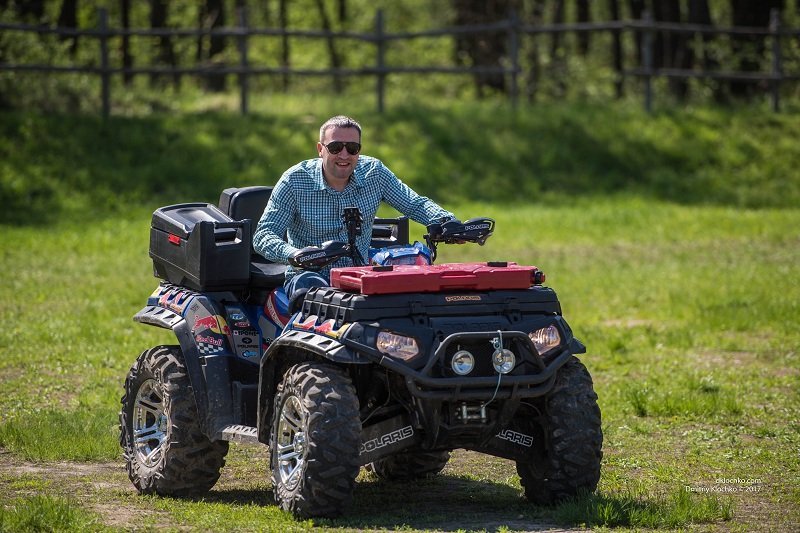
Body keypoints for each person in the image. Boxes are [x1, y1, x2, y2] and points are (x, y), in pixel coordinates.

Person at [253, 115, 456, 301]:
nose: (344, 155)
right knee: (314, 293)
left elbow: (414, 203)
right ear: (320, 149)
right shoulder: (295, 180)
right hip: (309, 277)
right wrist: (296, 254)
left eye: (352, 148)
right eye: (335, 147)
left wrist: (447, 221)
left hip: (361, 277)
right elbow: (263, 235)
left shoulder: (374, 173)